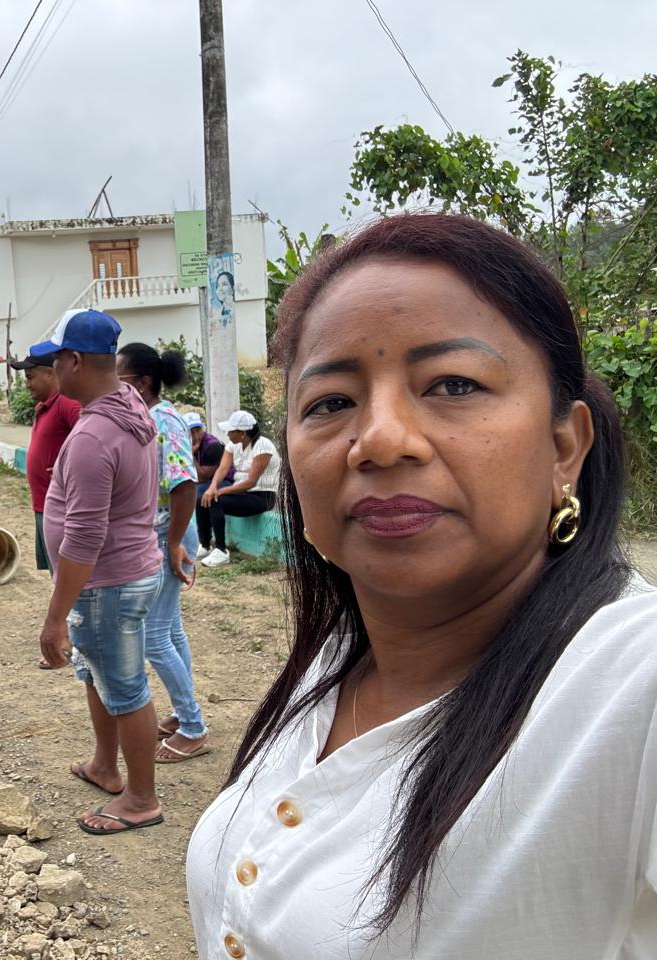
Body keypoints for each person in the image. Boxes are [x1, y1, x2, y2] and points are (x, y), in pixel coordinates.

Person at [186, 213, 657, 958]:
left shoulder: (631, 685)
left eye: (453, 384)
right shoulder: (340, 659)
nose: (379, 440)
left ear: (564, 446)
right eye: (331, 402)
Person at [34, 309, 165, 836]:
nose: (51, 370)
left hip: (107, 583)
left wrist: (55, 618)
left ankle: (141, 799)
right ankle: (104, 766)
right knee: (98, 672)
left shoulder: (94, 436)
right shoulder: (128, 404)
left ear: (74, 361)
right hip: (121, 573)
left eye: (54, 360)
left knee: (126, 689)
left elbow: (85, 538)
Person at [116, 344, 210, 764]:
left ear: (142, 383)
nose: (113, 388)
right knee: (169, 629)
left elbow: (185, 484)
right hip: (163, 532)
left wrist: (172, 544)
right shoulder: (150, 418)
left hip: (167, 533)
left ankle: (193, 727)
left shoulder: (163, 421)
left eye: (119, 380)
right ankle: (182, 712)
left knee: (153, 637)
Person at [11, 349, 81, 669]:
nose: (27, 383)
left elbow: (86, 439)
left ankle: (68, 645)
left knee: (66, 580)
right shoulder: (45, 406)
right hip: (44, 506)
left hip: (62, 508)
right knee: (58, 577)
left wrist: (69, 468)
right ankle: (68, 641)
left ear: (50, 374)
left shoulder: (66, 405)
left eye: (30, 376)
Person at [198, 410, 279, 567]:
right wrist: (213, 487)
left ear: (242, 433)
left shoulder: (263, 446)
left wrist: (220, 491)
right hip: (242, 493)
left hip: (262, 497)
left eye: (231, 431)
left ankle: (221, 551)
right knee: (203, 498)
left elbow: (251, 482)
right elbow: (222, 469)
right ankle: (205, 545)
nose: (228, 434)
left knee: (216, 500)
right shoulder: (233, 445)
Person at [184, 412, 227, 560]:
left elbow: (203, 477)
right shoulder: (184, 443)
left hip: (224, 480)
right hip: (206, 482)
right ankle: (204, 544)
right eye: (191, 431)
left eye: (198, 430)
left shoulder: (213, 446)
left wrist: (191, 454)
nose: (196, 435)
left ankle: (208, 544)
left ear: (203, 429)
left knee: (200, 495)